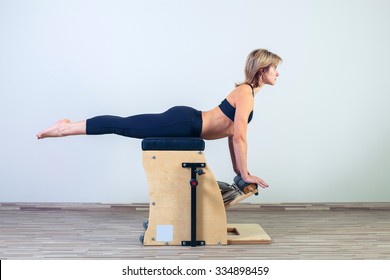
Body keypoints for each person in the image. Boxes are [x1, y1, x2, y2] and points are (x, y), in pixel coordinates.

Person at [37, 49, 282, 189]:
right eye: (274, 69)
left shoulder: (249, 93)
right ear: (263, 71)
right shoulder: (245, 93)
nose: (278, 73)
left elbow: (231, 135)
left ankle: (68, 125)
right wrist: (246, 174)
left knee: (124, 124)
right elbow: (239, 136)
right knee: (123, 125)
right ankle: (65, 128)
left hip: (188, 123)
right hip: (185, 123)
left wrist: (239, 170)